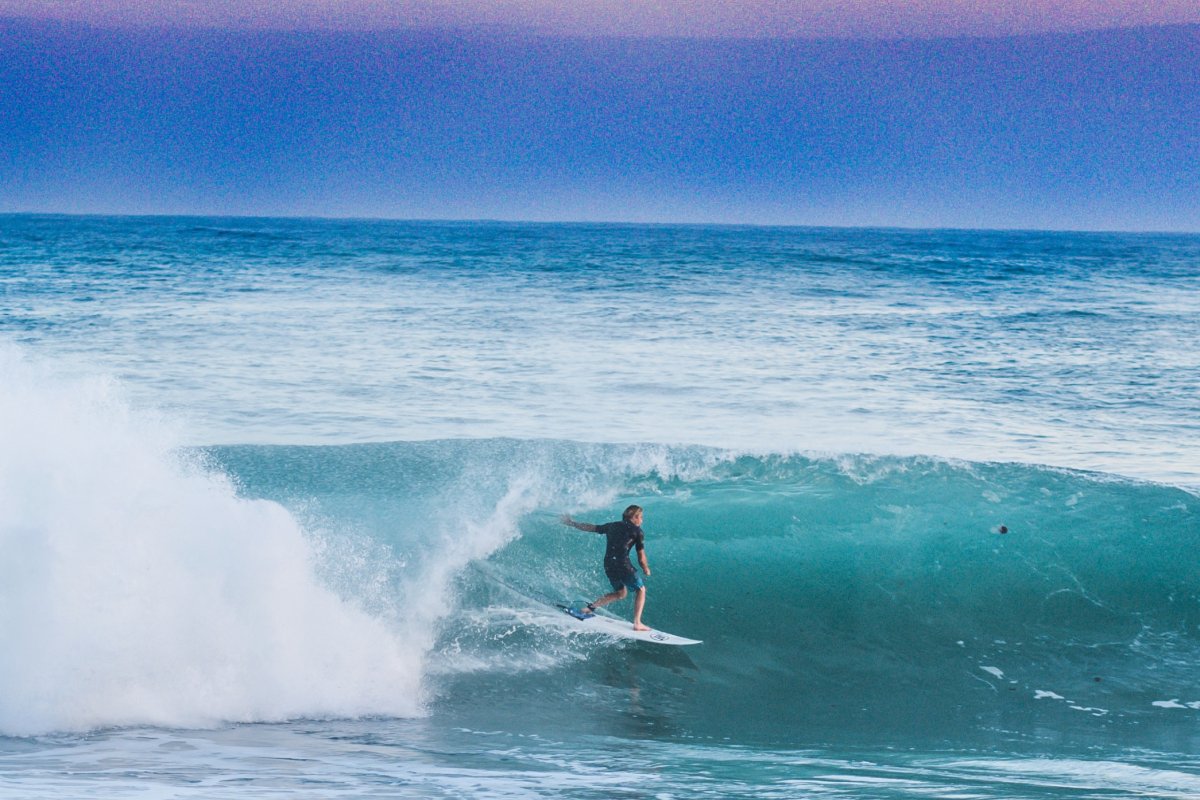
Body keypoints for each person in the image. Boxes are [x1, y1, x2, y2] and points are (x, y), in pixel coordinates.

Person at [561, 505, 651, 631]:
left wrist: (571, 523)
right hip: (623, 564)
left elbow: (591, 528)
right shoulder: (637, 531)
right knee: (641, 590)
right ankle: (637, 623)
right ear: (635, 517)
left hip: (609, 564)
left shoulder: (612, 525)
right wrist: (646, 568)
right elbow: (641, 557)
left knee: (621, 593)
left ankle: (589, 608)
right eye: (641, 517)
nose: (642, 520)